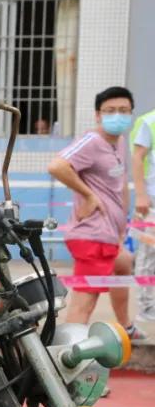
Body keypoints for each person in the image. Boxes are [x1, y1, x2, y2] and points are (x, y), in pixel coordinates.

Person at [48, 86, 144, 338]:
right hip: (91, 236)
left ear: (131, 113)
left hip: (110, 235)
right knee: (84, 303)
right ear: (98, 115)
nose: (117, 115)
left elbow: (120, 184)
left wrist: (122, 227)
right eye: (110, 110)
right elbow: (57, 166)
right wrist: (89, 195)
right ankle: (64, 354)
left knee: (123, 265)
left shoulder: (120, 142)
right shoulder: (92, 142)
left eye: (123, 110)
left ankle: (126, 326)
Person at [131, 105, 155, 322]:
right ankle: (147, 308)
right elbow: (138, 157)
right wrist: (140, 194)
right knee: (149, 255)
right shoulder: (150, 121)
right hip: (153, 199)